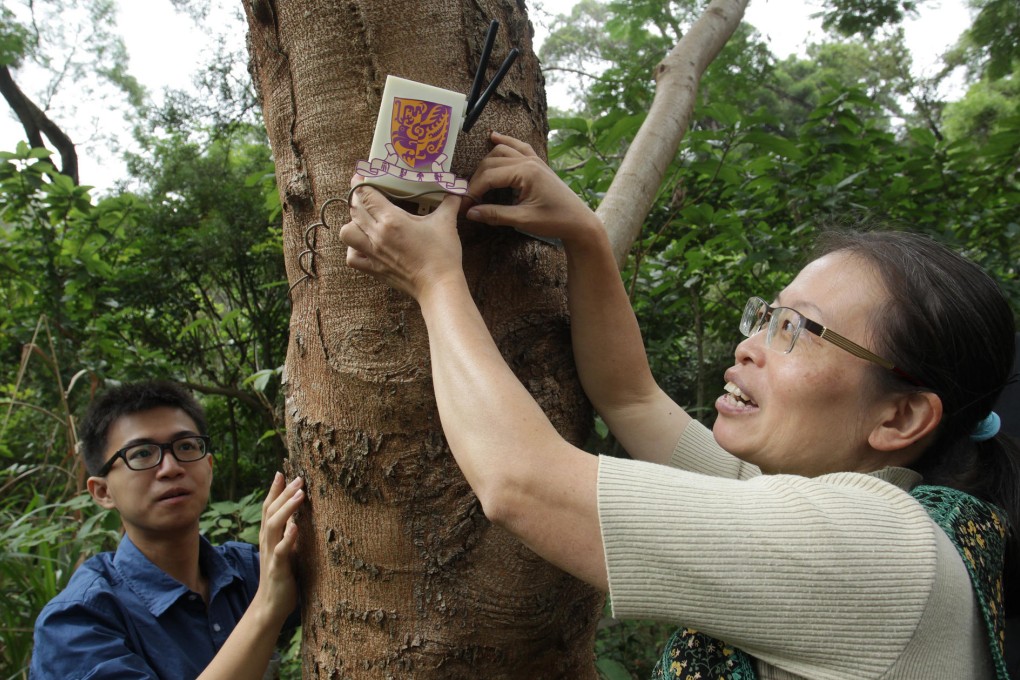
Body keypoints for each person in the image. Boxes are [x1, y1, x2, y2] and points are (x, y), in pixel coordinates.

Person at [339, 131, 1019, 679]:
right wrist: (584, 237)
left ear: (898, 418)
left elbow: (521, 480)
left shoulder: (877, 552)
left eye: (795, 330)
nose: (750, 345)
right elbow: (631, 397)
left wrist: (433, 280)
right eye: (765, 317)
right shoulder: (820, 504)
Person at [30, 380, 304, 680]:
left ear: (209, 467)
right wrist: (267, 608)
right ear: (102, 492)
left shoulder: (247, 571)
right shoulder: (77, 621)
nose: (171, 467)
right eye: (142, 454)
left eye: (186, 447)